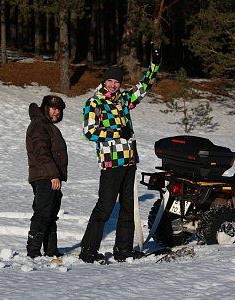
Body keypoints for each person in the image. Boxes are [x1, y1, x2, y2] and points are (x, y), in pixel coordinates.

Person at [79, 46, 160, 263]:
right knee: (105, 208)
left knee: (128, 208)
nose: (114, 85)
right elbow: (89, 131)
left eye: (117, 82)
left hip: (129, 160)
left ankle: (122, 250)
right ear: (104, 81)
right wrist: (115, 132)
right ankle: (88, 250)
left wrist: (154, 66)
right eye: (110, 81)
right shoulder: (95, 103)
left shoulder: (123, 100)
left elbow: (144, 87)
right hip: (111, 162)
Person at [26, 95, 68, 258]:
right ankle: (33, 251)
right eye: (53, 108)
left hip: (49, 176)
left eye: (59, 109)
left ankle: (51, 250)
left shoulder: (46, 125)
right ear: (45, 108)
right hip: (45, 176)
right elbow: (41, 152)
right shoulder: (39, 125)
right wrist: (52, 175)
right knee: (43, 213)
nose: (57, 112)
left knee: (50, 214)